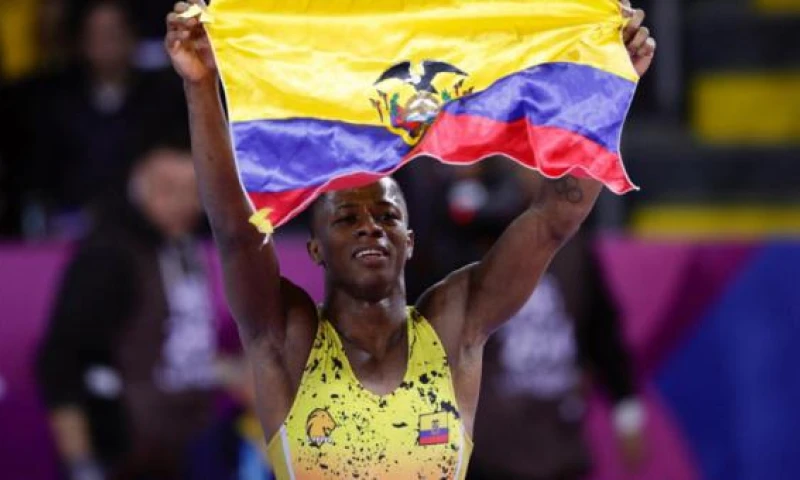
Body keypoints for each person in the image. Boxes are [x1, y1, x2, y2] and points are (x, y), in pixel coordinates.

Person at [164, 1, 655, 478]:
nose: (370, 226)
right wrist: (201, 84)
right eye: (346, 218)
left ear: (410, 241)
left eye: (386, 215)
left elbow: (556, 215)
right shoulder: (287, 340)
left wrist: (607, 85)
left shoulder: (452, 328)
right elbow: (234, 230)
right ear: (314, 249)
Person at [36, 140, 219, 480]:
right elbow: (59, 360)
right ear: (138, 188)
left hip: (181, 448)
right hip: (125, 452)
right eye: (169, 189)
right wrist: (82, 465)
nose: (187, 202)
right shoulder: (108, 255)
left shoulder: (182, 245)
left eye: (195, 190)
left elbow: (178, 346)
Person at [467, 221, 646, 480]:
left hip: (558, 439)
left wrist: (627, 410)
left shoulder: (573, 253)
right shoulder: (466, 243)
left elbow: (602, 332)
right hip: (490, 444)